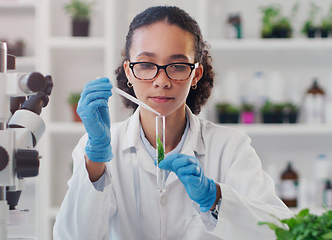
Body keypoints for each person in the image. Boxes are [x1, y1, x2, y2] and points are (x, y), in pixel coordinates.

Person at [53, 6, 292, 239]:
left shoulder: (230, 148)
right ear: (128, 72)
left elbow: (279, 230)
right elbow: (71, 236)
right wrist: (96, 160)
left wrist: (215, 199)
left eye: (177, 66)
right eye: (146, 65)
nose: (162, 81)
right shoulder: (101, 146)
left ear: (195, 74)